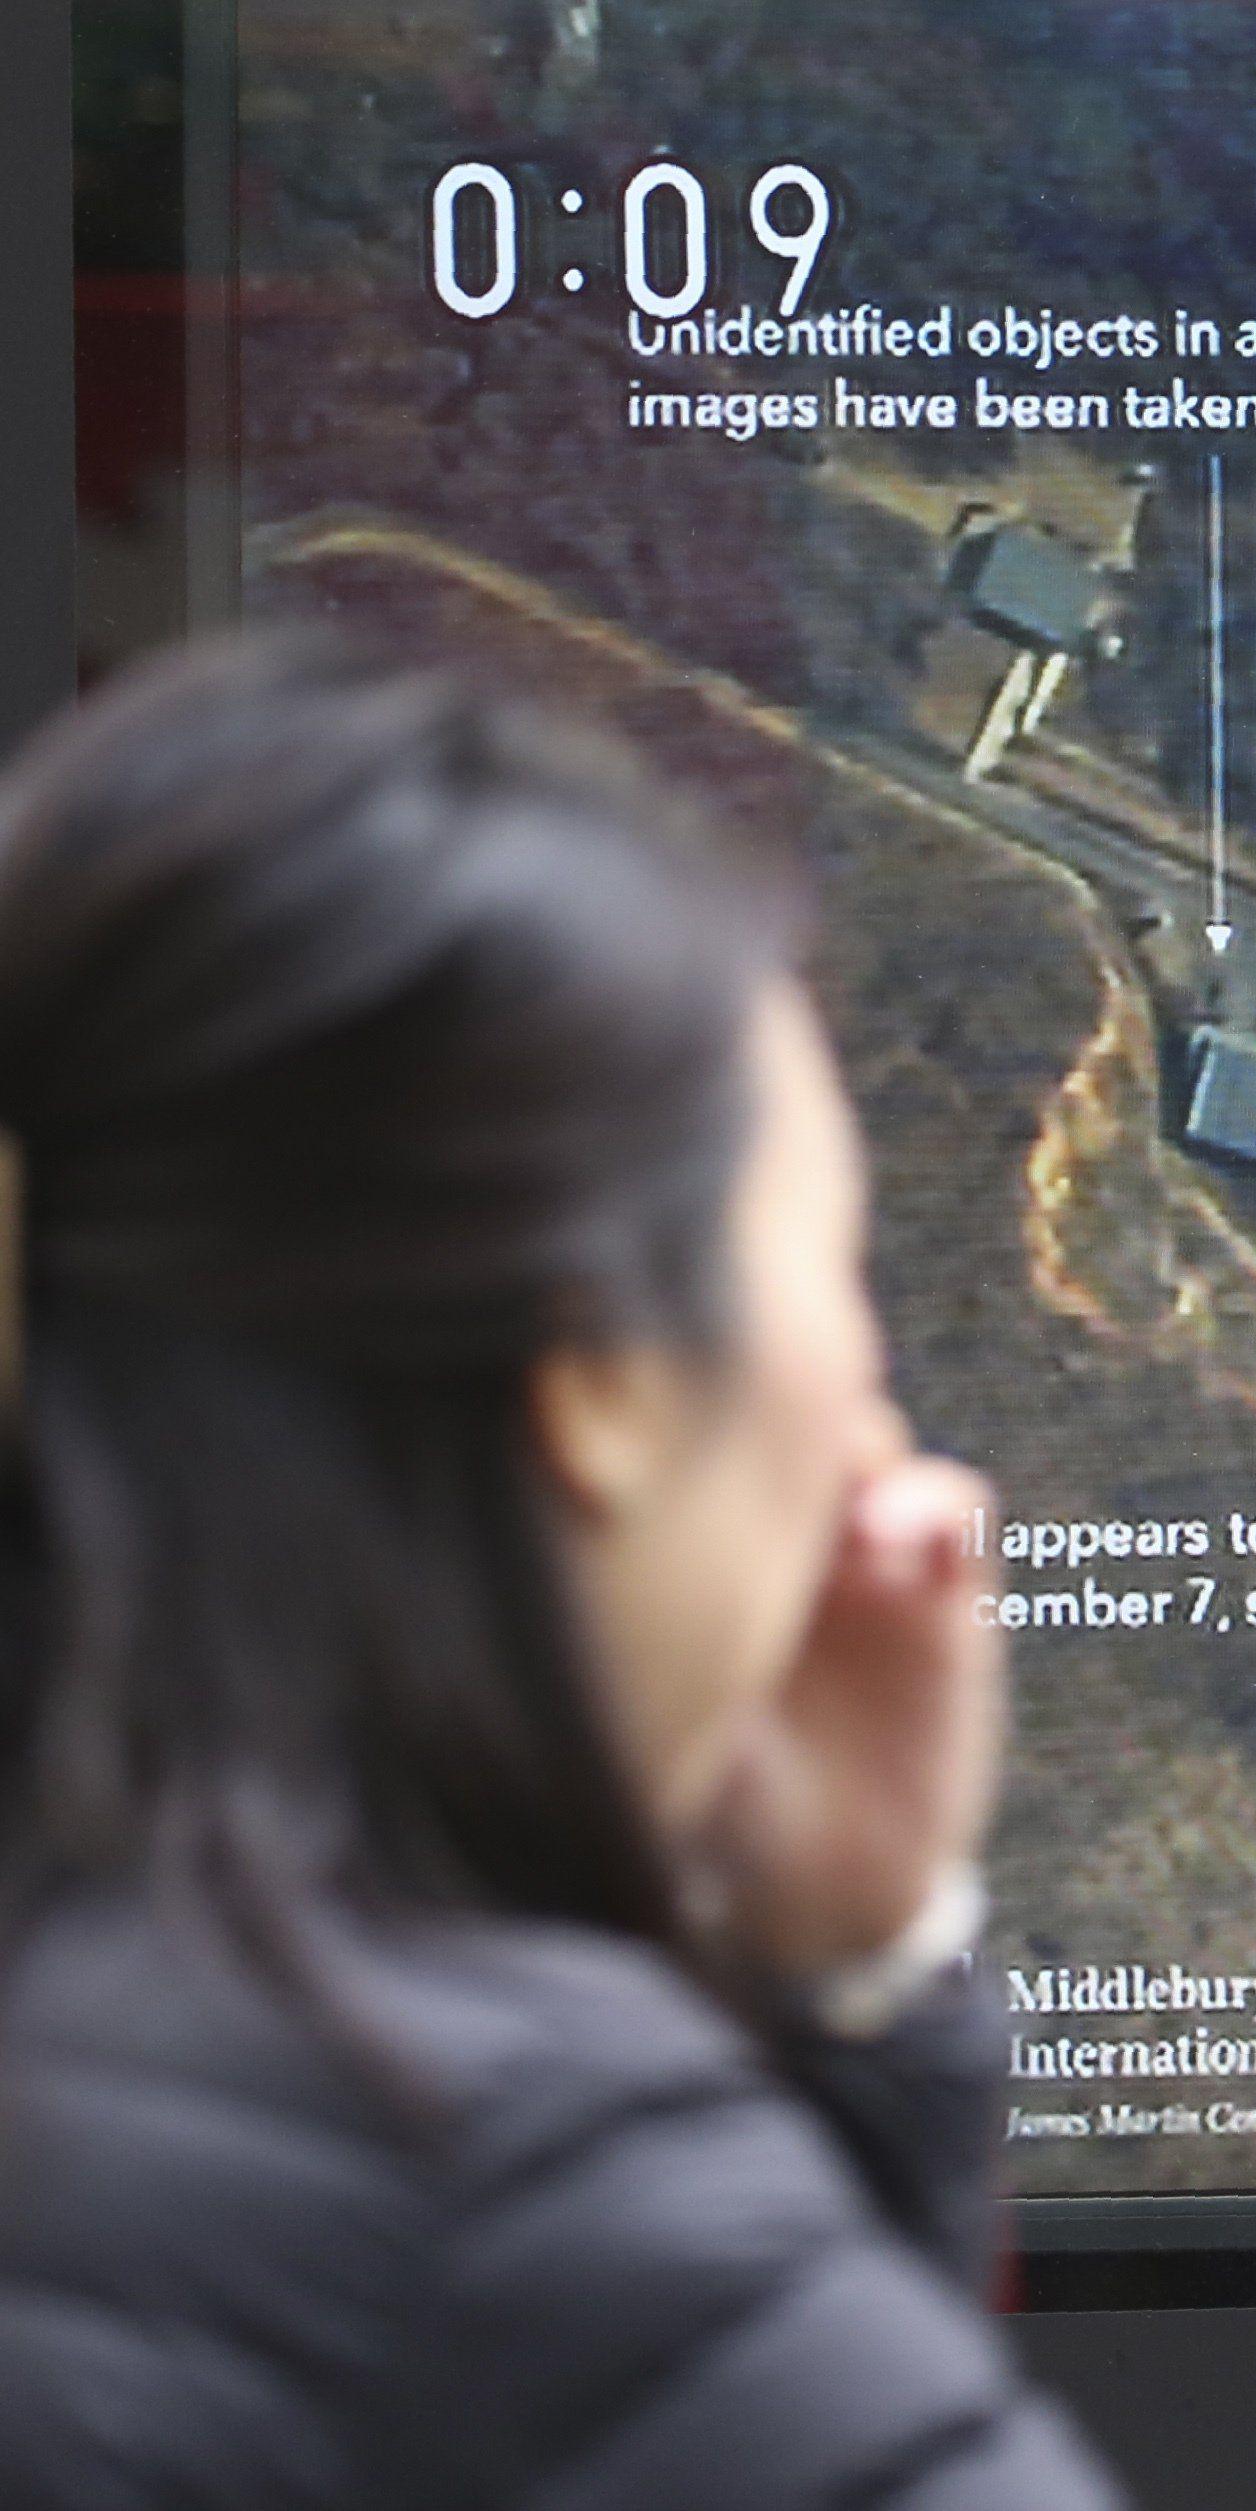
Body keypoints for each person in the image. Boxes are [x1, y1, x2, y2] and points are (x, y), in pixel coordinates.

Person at [0, 637, 1123, 2506]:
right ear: (595, 1378)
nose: (870, 1412)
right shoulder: (485, 2162)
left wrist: (851, 1978)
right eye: (832, 1266)